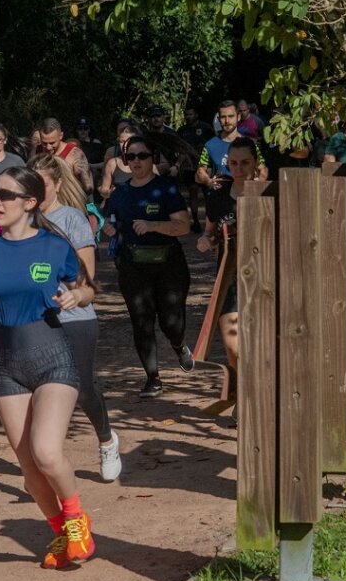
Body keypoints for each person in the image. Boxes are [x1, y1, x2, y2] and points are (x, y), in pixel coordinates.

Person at [0, 166, 96, 570]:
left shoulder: (54, 246)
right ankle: (60, 532)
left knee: (46, 451)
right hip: (6, 361)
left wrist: (76, 296)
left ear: (30, 203)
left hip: (52, 353)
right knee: (28, 470)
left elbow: (88, 287)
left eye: (5, 195)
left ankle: (76, 521)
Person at [29, 155, 120, 481]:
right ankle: (44, 463)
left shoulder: (73, 220)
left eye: (43, 184)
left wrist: (74, 294)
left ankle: (107, 440)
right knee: (38, 390)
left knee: (81, 389)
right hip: (34, 319)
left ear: (56, 185)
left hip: (75, 316)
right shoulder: (20, 220)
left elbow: (88, 281)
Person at [103, 136, 194, 397]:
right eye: (131, 157)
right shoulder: (120, 193)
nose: (136, 162)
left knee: (170, 322)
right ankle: (152, 378)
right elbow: (112, 222)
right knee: (141, 321)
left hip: (169, 266)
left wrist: (154, 225)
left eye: (142, 156)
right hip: (132, 266)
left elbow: (184, 225)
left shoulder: (165, 189)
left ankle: (178, 345)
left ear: (152, 158)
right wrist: (110, 229)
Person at [196, 137, 259, 367]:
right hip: (229, 278)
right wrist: (206, 240)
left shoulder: (268, 193)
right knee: (233, 347)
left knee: (260, 346)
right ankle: (240, 397)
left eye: (245, 163)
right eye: (233, 164)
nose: (239, 169)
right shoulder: (218, 197)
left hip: (264, 280)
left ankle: (252, 399)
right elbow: (209, 232)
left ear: (255, 162)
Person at [197, 100, 268, 190]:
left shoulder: (250, 144)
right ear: (219, 120)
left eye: (231, 116)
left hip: (244, 195)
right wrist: (209, 181)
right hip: (219, 197)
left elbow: (262, 169)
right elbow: (200, 171)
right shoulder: (210, 145)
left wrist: (258, 184)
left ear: (238, 117)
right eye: (223, 117)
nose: (227, 121)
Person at [177, 106, 215, 233]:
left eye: (190, 114)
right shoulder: (182, 130)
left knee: (208, 194)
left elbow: (213, 144)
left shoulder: (206, 128)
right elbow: (180, 149)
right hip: (189, 166)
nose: (188, 117)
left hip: (204, 166)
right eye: (186, 114)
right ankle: (196, 221)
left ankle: (211, 222)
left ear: (196, 115)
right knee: (193, 193)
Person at [38, 117, 93, 194]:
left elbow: (89, 188)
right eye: (44, 143)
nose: (48, 147)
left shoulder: (74, 154)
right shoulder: (37, 151)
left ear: (61, 136)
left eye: (52, 143)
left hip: (70, 202)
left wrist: (82, 175)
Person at [99, 125, 138, 200]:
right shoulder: (112, 163)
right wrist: (111, 192)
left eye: (129, 141)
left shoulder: (147, 162)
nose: (125, 145)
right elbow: (104, 189)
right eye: (122, 142)